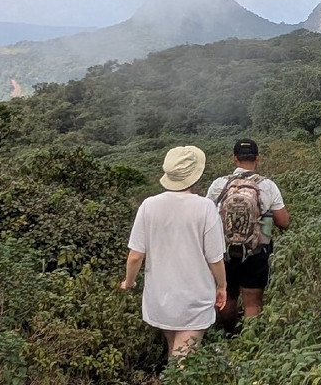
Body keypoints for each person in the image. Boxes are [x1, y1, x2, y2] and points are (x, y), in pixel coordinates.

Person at [120, 145, 226, 358]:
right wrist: (222, 286)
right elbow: (214, 258)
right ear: (195, 175)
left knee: (174, 350)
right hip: (194, 298)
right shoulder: (205, 207)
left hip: (160, 298)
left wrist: (128, 283)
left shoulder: (148, 205)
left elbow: (135, 256)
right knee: (183, 360)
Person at [206, 139, 290, 330]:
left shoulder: (219, 184)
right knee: (253, 302)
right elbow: (283, 222)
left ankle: (228, 335)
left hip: (223, 251)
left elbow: (206, 217)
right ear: (257, 158)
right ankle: (249, 346)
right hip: (256, 252)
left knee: (226, 294)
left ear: (234, 158)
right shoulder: (268, 185)